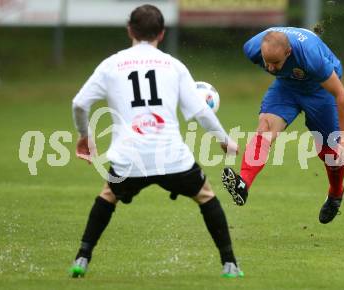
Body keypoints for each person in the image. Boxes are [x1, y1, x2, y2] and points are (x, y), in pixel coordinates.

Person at [69, 4, 244, 279]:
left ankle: (82, 257)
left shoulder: (111, 64)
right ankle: (230, 264)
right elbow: (200, 111)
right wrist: (224, 140)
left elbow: (79, 103)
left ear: (130, 30)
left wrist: (84, 136)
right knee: (205, 195)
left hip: (129, 158)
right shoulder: (173, 66)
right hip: (171, 157)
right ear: (161, 34)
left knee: (108, 195)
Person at [221, 27, 344, 224]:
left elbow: (341, 94)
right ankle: (243, 184)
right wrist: (280, 69)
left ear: (288, 53)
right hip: (287, 86)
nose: (271, 68)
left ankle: (335, 194)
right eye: (267, 63)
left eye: (276, 63)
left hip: (319, 89)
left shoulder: (311, 57)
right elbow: (273, 63)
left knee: (330, 152)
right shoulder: (252, 49)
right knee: (265, 129)